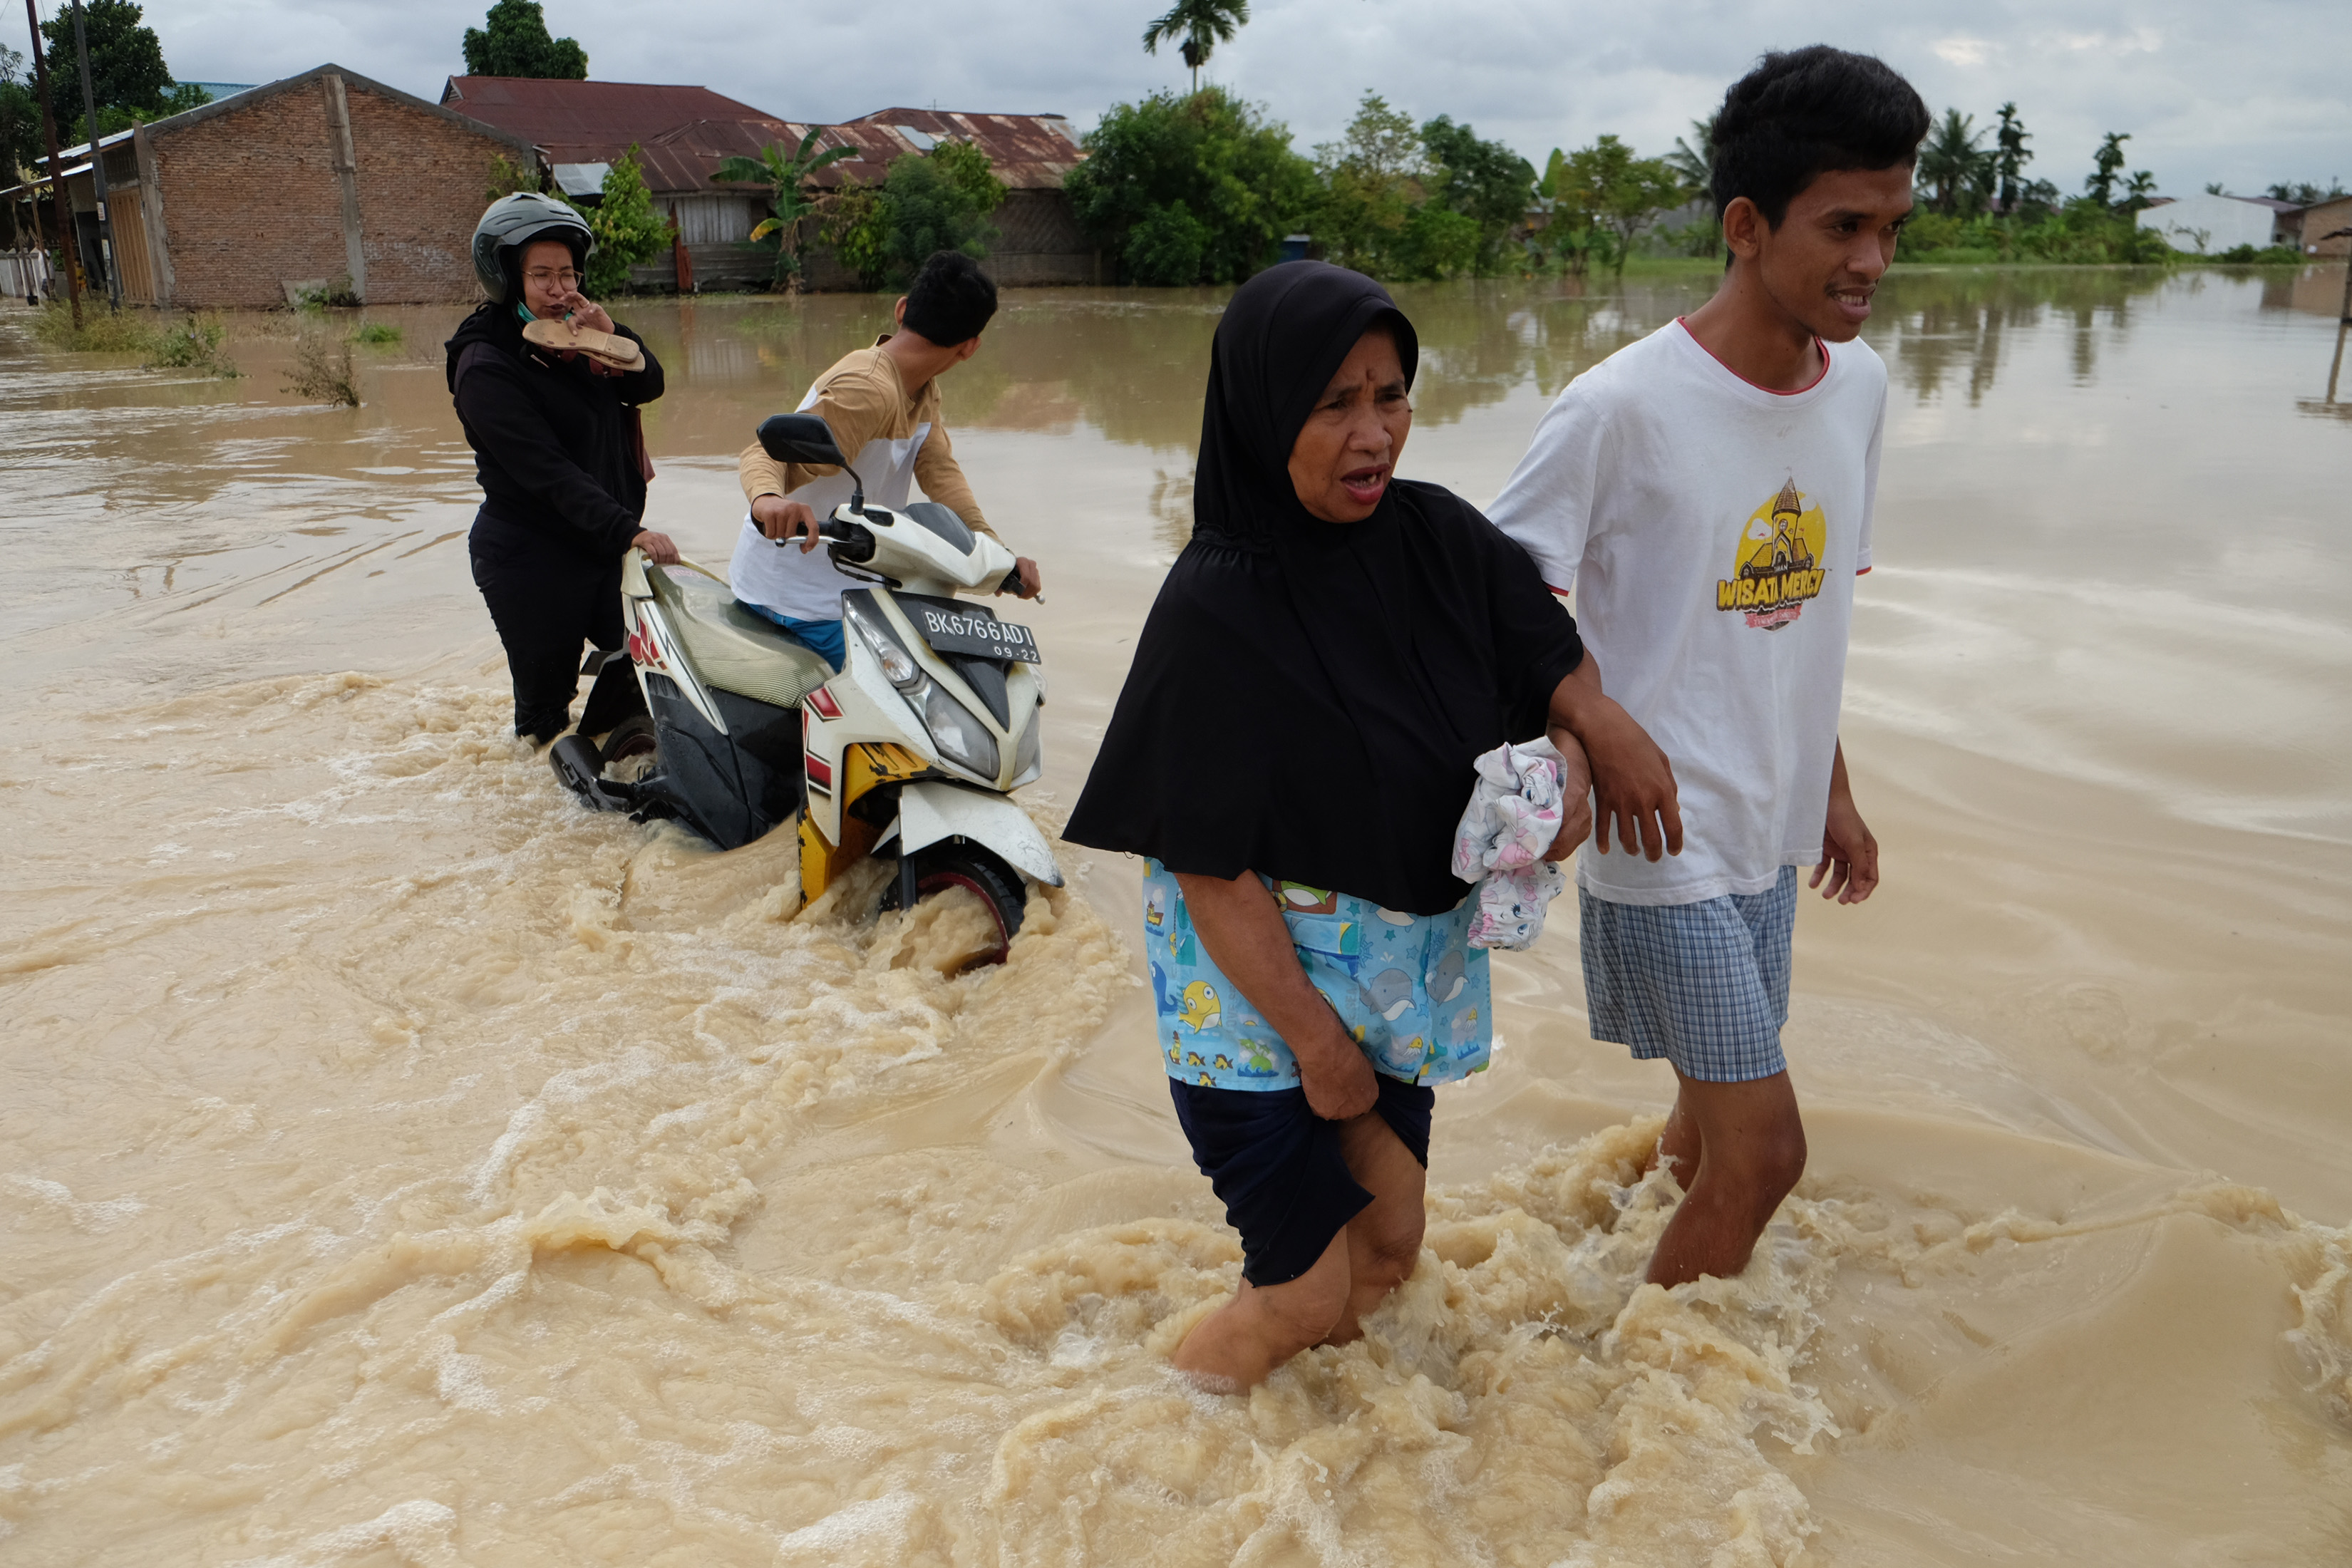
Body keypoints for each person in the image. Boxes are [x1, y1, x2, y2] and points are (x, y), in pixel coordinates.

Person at [1063, 262, 1674, 1391]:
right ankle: (1159, 1433)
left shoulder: (1436, 537)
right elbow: (1209, 867)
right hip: (1254, 1016)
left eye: (1390, 396)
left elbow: (1547, 659)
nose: (1374, 432)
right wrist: (1317, 1047)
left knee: (1388, 1251)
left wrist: (1585, 750)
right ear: (1262, 411)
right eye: (1333, 402)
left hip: (1397, 988)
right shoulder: (1217, 607)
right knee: (1299, 1292)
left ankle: (1312, 1448)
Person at [1485, 45, 1924, 1289]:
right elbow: (1501, 593)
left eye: (1893, 226)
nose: (1874, 264)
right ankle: (1649, 1386)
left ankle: (1618, 1280)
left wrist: (1829, 790)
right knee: (1767, 1151)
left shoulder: (1863, 391)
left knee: (1706, 1126)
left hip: (1768, 823)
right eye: (1844, 226)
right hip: (1658, 832)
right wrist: (1596, 724)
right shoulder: (1619, 407)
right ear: (1745, 223)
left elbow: (1809, 607)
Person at [730, 250, 1040, 669]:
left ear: (902, 310)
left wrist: (995, 553)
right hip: (800, 600)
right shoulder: (869, 389)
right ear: (970, 348)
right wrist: (767, 500)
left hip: (858, 586)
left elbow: (940, 473)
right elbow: (766, 452)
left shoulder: (923, 388)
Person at [446, 192, 677, 743]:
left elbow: (649, 384)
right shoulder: (486, 365)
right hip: (531, 558)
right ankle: (543, 805)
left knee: (654, 668)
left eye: (569, 274)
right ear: (507, 278)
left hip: (598, 545)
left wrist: (610, 334)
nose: (559, 290)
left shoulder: (580, 338)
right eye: (542, 276)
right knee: (544, 721)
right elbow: (547, 472)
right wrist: (633, 531)